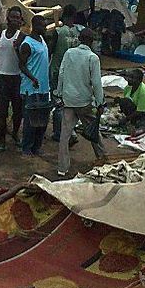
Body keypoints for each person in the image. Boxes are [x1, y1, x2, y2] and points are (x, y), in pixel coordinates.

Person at [55, 29, 106, 177]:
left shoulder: (69, 53)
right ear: (92, 40)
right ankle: (102, 157)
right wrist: (100, 102)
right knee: (93, 130)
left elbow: (62, 73)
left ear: (79, 38)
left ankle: (62, 168)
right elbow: (96, 83)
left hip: (69, 100)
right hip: (84, 102)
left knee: (64, 135)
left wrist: (59, 93)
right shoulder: (92, 58)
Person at [16, 15, 51, 156]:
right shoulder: (27, 44)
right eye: (42, 25)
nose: (45, 28)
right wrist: (33, 78)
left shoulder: (42, 40)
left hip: (43, 87)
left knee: (42, 119)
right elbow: (21, 65)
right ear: (35, 26)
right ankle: (26, 148)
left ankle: (37, 147)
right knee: (30, 120)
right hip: (31, 88)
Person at [0, 6, 25, 152]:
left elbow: (24, 60)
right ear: (7, 19)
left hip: (17, 78)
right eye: (13, 17)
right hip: (3, 78)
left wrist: (17, 48)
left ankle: (15, 134)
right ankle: (1, 139)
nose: (16, 20)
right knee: (1, 111)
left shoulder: (23, 37)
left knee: (18, 110)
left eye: (18, 18)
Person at [50, 5, 80, 90]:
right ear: (74, 16)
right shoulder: (79, 31)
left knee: (56, 93)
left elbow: (50, 50)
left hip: (58, 68)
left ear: (63, 16)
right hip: (73, 70)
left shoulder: (58, 31)